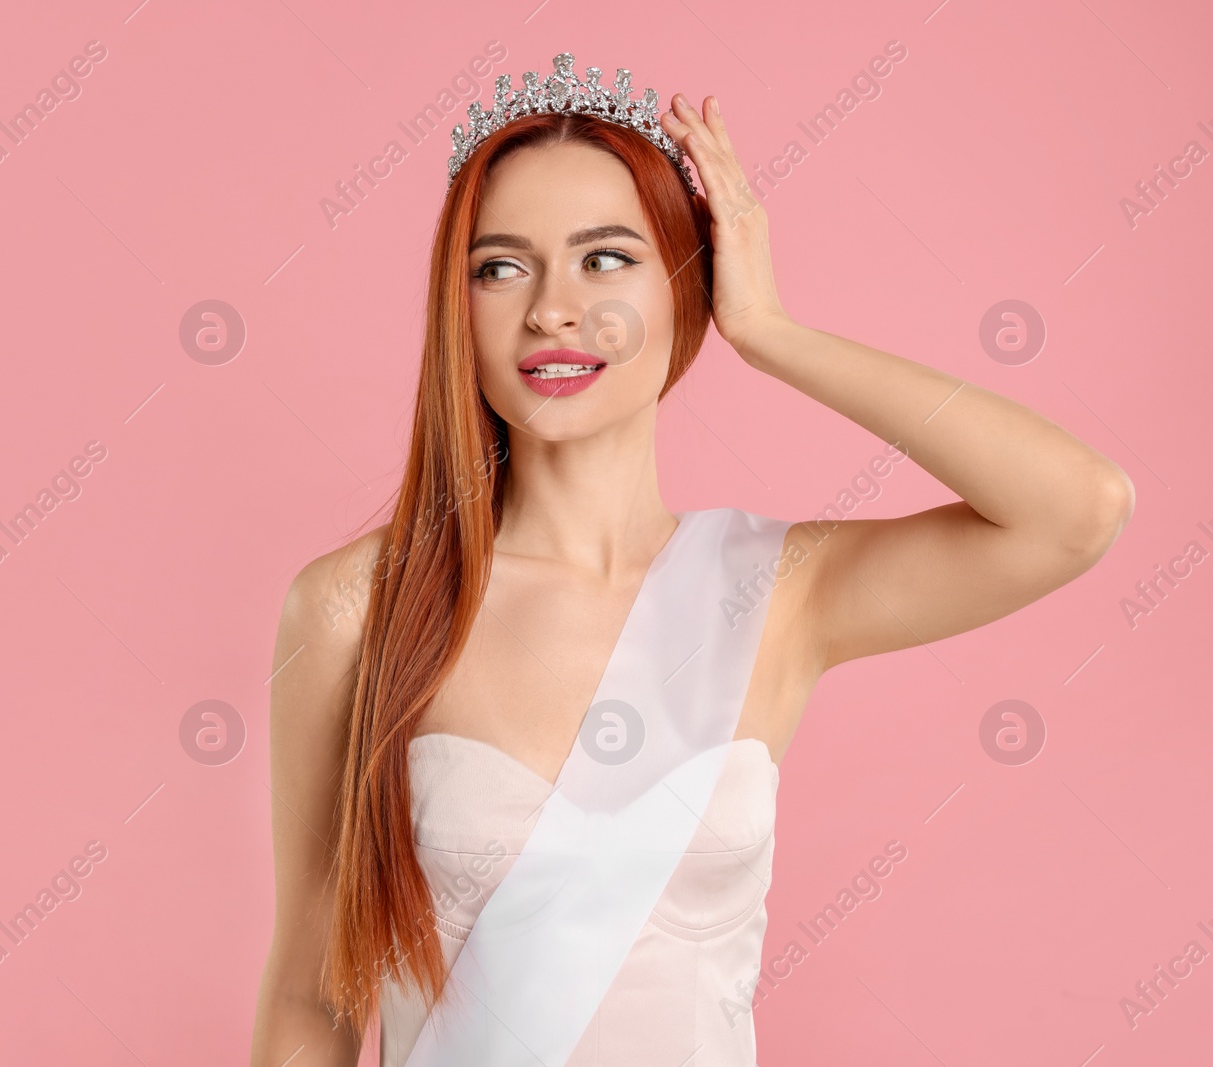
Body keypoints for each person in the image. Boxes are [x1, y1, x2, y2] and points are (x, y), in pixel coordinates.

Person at [250, 52, 1133, 1066]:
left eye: (606, 258)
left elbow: (1075, 509)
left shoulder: (774, 591)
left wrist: (770, 331)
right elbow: (310, 996)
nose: (550, 309)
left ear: (689, 285)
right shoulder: (357, 603)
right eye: (500, 266)